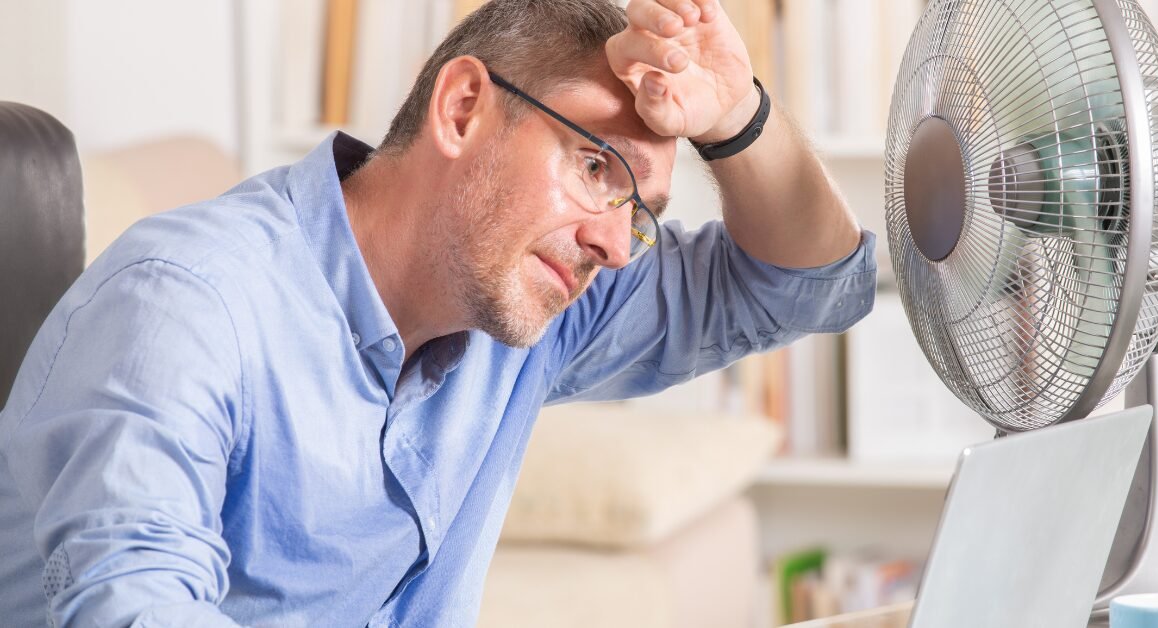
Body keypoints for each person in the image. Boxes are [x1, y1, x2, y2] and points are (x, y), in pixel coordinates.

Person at [0, 0, 875, 625]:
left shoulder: (523, 307)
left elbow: (809, 285)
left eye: (638, 212)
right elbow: (132, 602)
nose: (615, 245)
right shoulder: (184, 302)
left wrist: (740, 118)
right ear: (463, 109)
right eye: (598, 168)